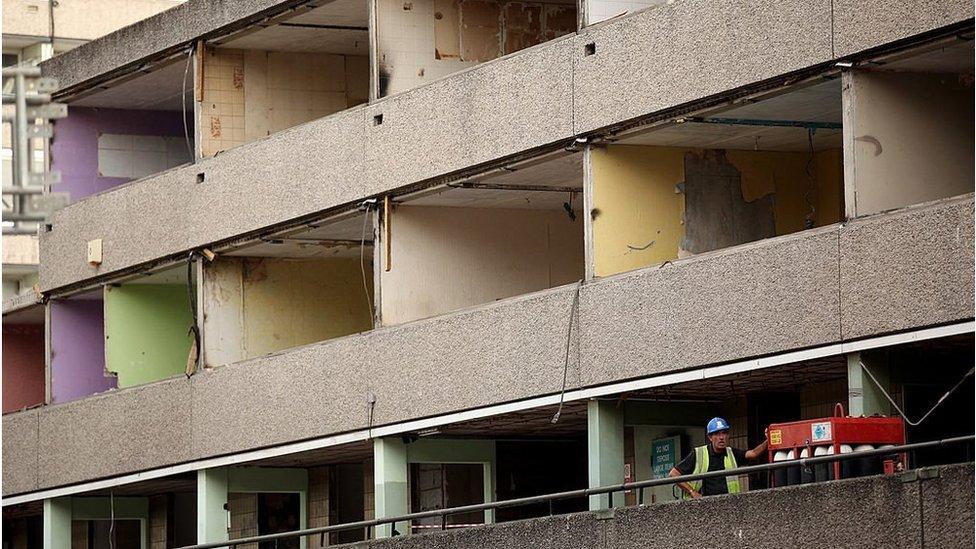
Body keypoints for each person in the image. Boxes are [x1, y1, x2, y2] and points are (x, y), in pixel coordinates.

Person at [668, 417, 768, 499]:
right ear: (710, 437)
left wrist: (768, 440)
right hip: (703, 506)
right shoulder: (699, 454)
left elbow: (753, 453)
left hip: (728, 505)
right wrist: (692, 492)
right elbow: (673, 474)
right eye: (717, 434)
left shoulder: (731, 452)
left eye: (724, 433)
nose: (721, 437)